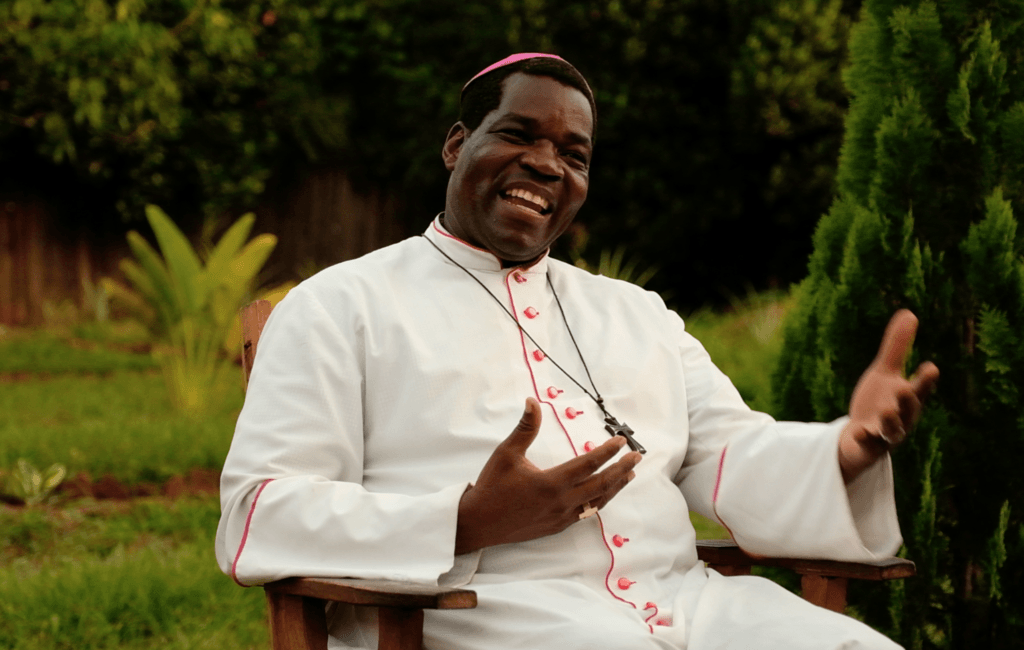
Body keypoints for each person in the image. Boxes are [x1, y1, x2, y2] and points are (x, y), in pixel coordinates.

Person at [216, 53, 940, 650]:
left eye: (573, 154)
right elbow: (259, 511)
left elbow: (728, 456)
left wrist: (848, 448)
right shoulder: (342, 304)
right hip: (481, 619)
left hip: (693, 610)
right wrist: (464, 521)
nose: (546, 164)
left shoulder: (636, 313)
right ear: (455, 144)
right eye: (517, 134)